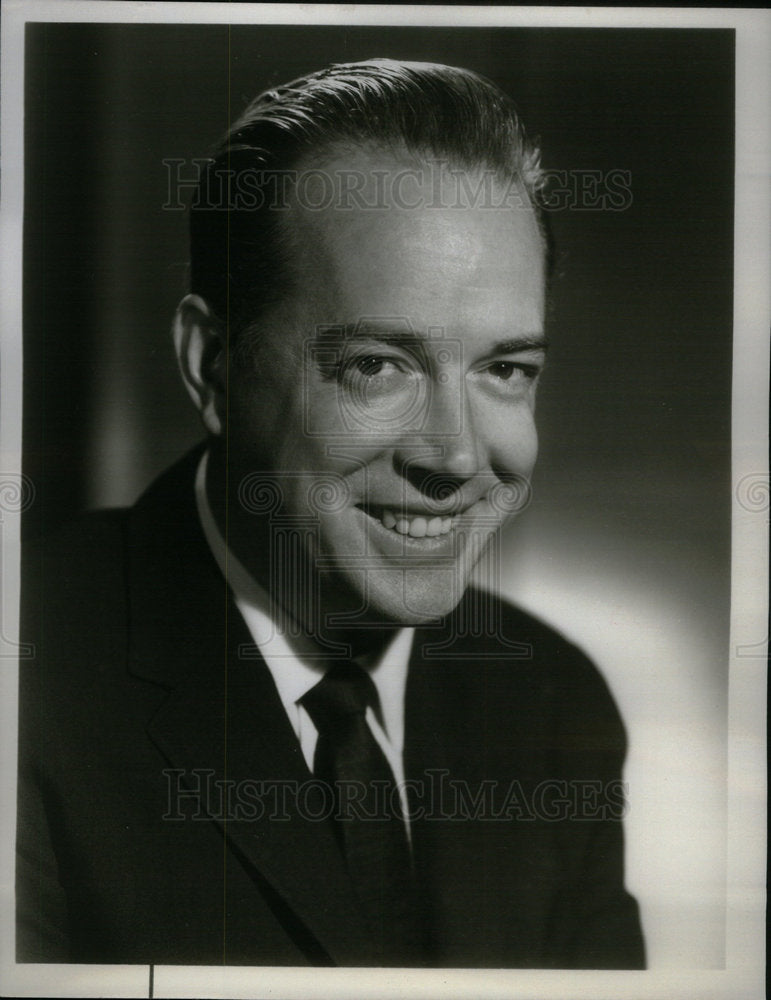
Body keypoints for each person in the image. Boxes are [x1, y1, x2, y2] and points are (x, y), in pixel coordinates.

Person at [16, 58, 645, 968]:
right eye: (376, 367)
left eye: (505, 370)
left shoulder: (551, 706)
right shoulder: (29, 676)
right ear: (214, 364)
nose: (457, 457)